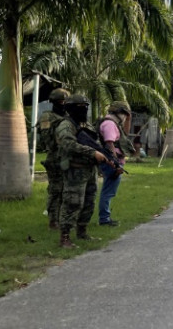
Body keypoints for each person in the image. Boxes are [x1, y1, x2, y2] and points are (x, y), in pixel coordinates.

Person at [55, 95, 109, 248]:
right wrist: (92, 153)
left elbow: (96, 143)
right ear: (71, 109)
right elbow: (68, 145)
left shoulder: (86, 125)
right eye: (80, 107)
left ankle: (82, 232)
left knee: (89, 202)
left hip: (89, 170)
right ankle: (64, 237)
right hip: (74, 169)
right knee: (72, 202)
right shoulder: (66, 125)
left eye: (85, 106)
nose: (84, 110)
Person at [96, 100, 135, 227]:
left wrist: (129, 119)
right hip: (111, 163)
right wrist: (116, 163)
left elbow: (125, 135)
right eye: (124, 114)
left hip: (114, 162)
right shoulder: (109, 124)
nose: (125, 117)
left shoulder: (114, 124)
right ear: (118, 113)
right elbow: (110, 143)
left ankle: (105, 217)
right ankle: (104, 219)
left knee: (109, 191)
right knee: (108, 191)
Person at [37, 87, 70, 230]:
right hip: (55, 157)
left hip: (68, 157)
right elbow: (46, 139)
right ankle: (53, 220)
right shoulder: (47, 117)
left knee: (67, 190)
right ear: (54, 102)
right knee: (55, 190)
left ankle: (63, 219)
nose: (63, 103)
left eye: (65, 101)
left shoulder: (68, 116)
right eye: (60, 101)